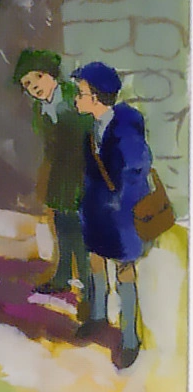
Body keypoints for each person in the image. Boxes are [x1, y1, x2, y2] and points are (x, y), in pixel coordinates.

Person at [71, 61, 150, 370]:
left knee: (124, 270)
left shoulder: (126, 126)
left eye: (81, 93)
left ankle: (129, 337)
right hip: (96, 210)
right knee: (95, 261)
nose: (76, 99)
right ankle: (97, 317)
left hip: (121, 214)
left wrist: (118, 201)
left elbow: (137, 166)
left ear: (96, 97)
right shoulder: (91, 125)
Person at [13, 49, 90, 294]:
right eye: (27, 83)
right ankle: (63, 276)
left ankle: (88, 283)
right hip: (60, 176)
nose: (34, 86)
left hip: (83, 173)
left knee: (80, 230)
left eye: (38, 76)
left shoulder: (74, 95)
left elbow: (87, 134)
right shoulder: (40, 109)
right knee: (62, 227)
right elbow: (49, 145)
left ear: (51, 74)